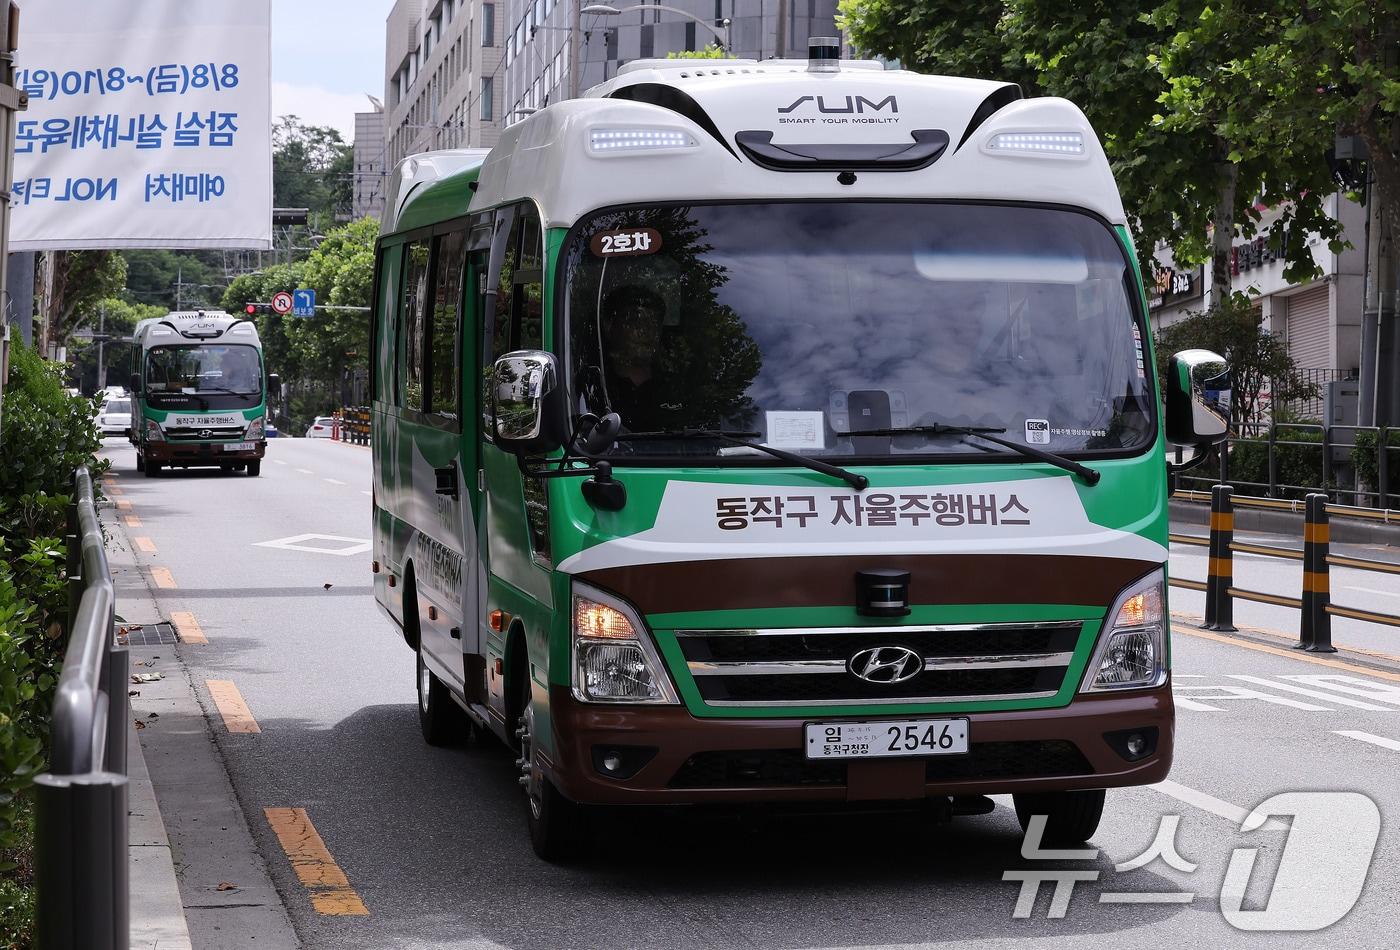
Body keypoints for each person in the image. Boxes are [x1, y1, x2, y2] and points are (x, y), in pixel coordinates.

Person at [600, 285, 669, 432]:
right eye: (635, 320)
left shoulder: (675, 388)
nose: (647, 330)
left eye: (654, 322)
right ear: (610, 325)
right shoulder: (595, 387)